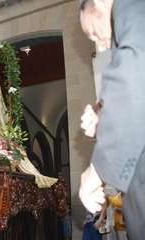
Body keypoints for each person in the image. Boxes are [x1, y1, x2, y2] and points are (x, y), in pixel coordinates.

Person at [78, 0, 145, 239]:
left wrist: (96, 169)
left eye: (93, 32)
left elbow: (136, 71)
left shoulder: (132, 5)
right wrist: (103, 114)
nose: (99, 44)